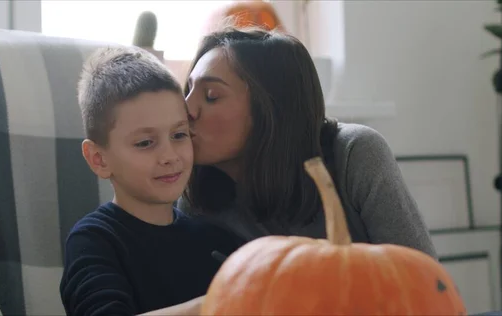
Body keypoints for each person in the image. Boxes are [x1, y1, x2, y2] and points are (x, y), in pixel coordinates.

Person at [179, 25, 438, 259]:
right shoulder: (195, 193)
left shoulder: (355, 152)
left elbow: (425, 281)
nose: (186, 108)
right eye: (188, 90)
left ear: (272, 109)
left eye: (211, 96)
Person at [59, 46, 244, 316]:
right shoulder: (95, 240)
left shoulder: (215, 239)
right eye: (145, 143)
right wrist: (219, 303)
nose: (169, 156)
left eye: (179, 135)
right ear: (99, 159)